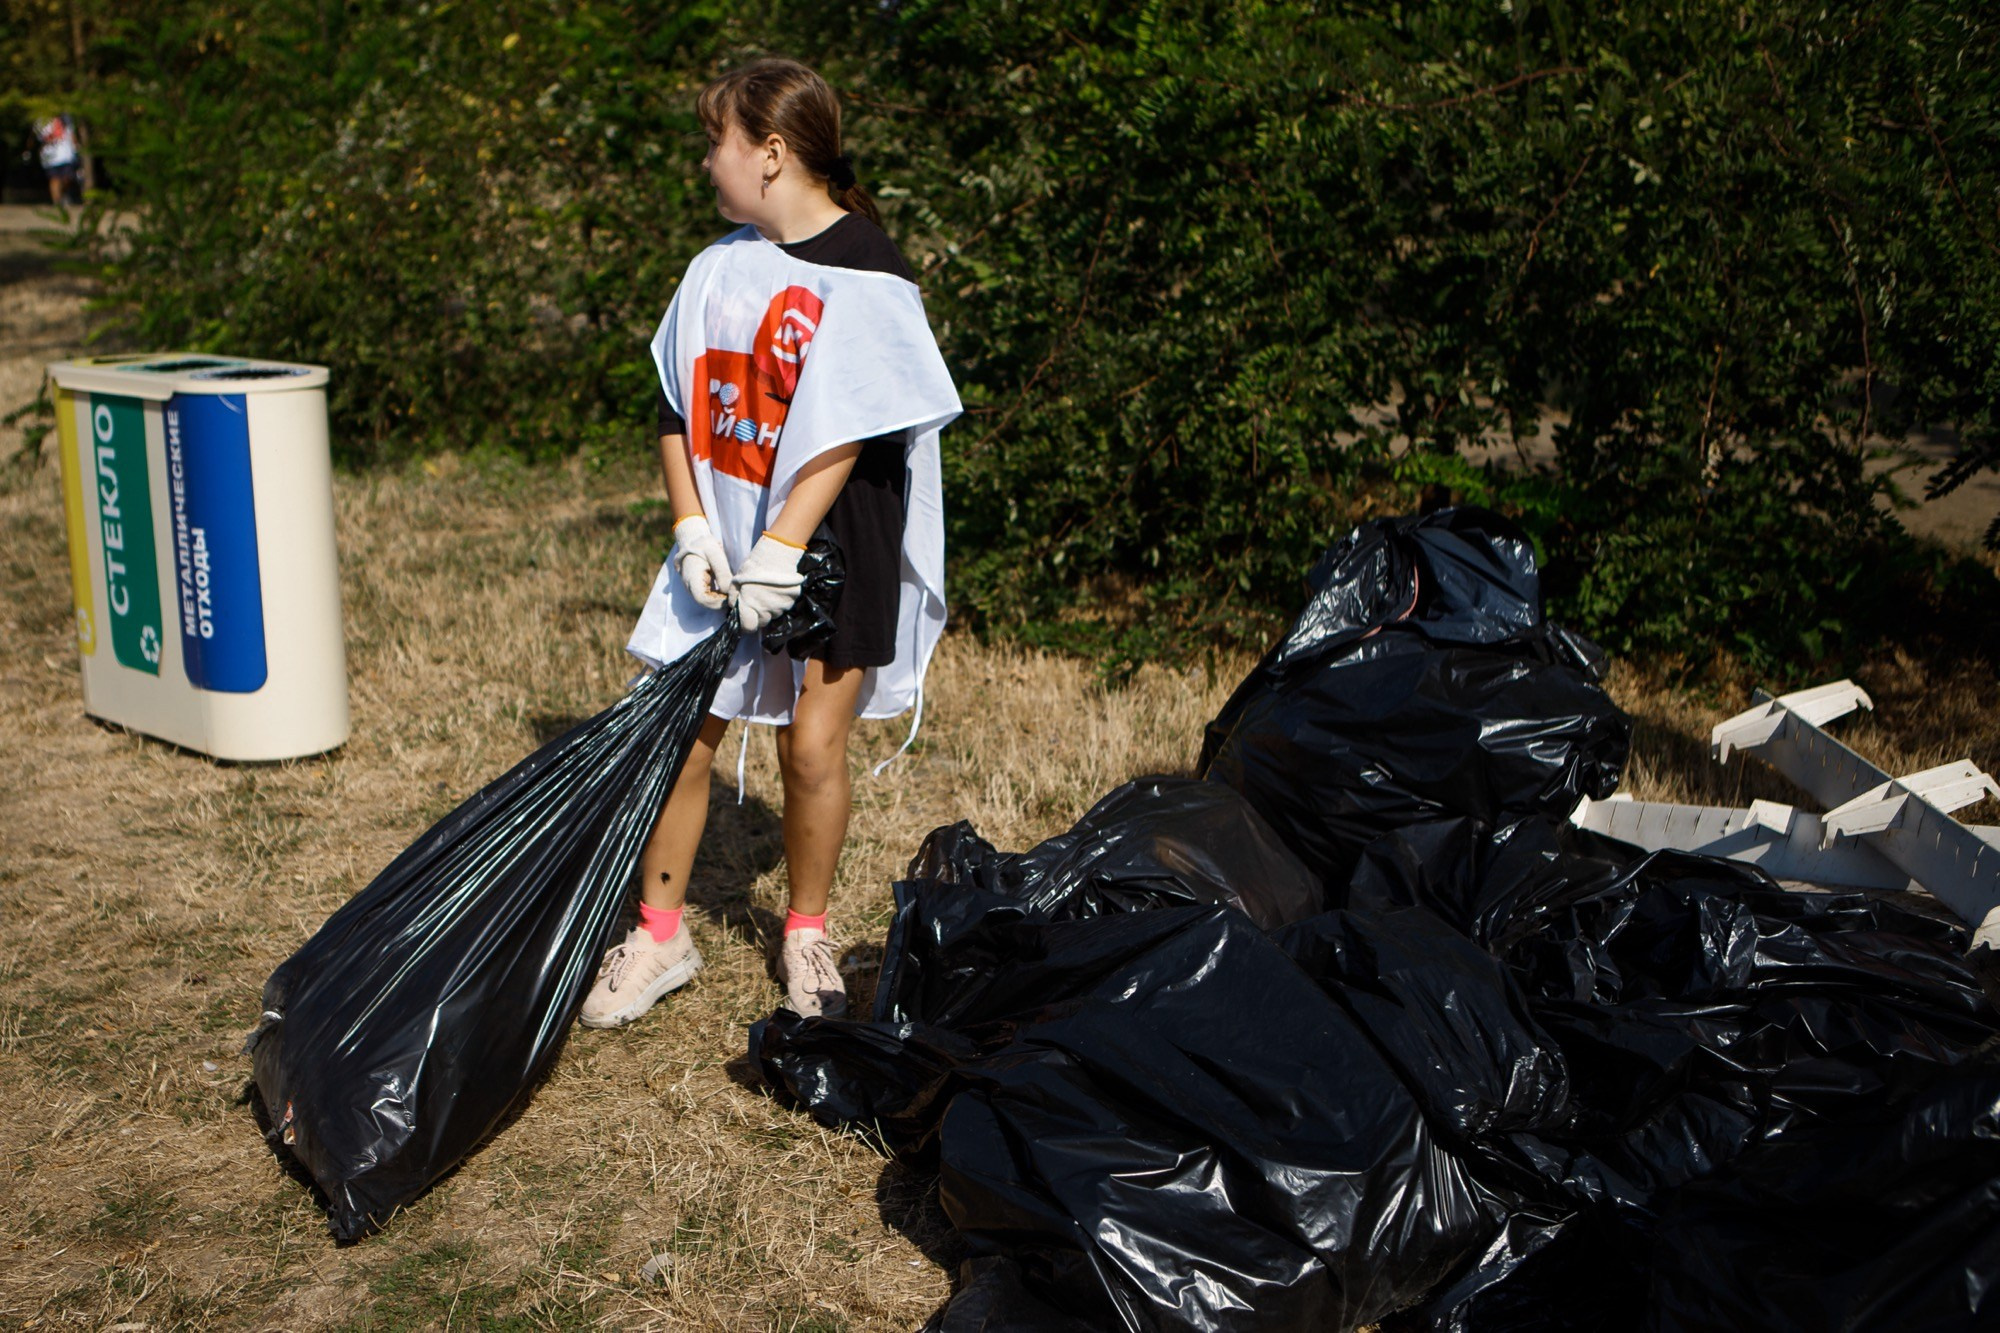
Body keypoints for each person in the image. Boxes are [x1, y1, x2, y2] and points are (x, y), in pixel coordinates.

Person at [581, 57, 961, 1028]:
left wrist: (783, 549)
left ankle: (804, 932)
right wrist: (691, 527)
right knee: (682, 739)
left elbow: (845, 429)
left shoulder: (866, 269)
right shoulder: (716, 267)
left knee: (809, 748)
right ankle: (659, 934)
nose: (707, 161)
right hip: (725, 538)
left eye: (718, 141)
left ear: (772, 152)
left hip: (829, 548)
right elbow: (675, 403)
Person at [34, 113, 81, 209]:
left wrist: (76, 146)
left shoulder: (67, 118)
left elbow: (71, 133)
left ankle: (62, 194)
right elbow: (41, 137)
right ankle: (57, 202)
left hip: (66, 154)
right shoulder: (42, 120)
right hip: (51, 156)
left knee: (68, 178)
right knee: (54, 178)